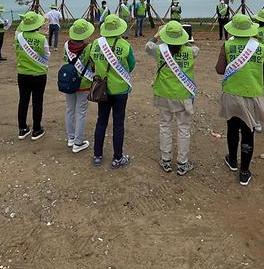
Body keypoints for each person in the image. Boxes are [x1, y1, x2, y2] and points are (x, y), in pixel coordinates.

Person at [214, 14, 264, 186]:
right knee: (248, 131)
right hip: (252, 95)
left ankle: (232, 160)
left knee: (232, 127)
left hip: (232, 94)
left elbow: (219, 69)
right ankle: (244, 171)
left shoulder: (228, 45)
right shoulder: (261, 48)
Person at [146, 21, 199, 176]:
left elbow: (148, 46)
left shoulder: (159, 50)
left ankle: (166, 160)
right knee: (183, 128)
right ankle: (183, 163)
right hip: (183, 95)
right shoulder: (192, 51)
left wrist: (157, 34)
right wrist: (189, 37)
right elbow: (195, 47)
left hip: (163, 94)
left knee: (165, 126)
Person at [90, 14, 136, 169]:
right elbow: (131, 65)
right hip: (120, 90)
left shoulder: (95, 44)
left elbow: (92, 63)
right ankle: (117, 158)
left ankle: (97, 155)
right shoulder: (125, 45)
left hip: (101, 90)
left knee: (101, 121)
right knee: (118, 123)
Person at [14, 11, 50, 140]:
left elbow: (17, 52)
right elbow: (47, 55)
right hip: (39, 74)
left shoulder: (18, 37)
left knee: (23, 100)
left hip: (22, 73)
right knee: (37, 101)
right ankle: (36, 129)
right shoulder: (41, 38)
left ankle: (22, 129)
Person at [63, 18, 96, 153]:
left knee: (70, 110)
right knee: (81, 112)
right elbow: (93, 65)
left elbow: (65, 60)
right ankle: (78, 142)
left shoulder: (66, 45)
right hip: (84, 83)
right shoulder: (89, 47)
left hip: (69, 82)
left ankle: (71, 137)